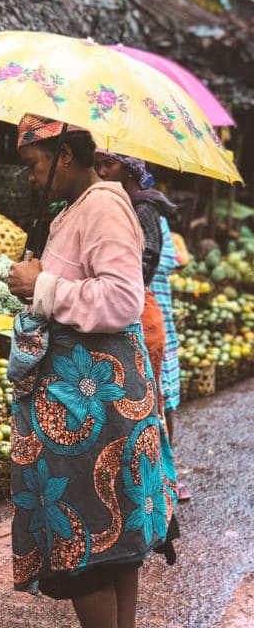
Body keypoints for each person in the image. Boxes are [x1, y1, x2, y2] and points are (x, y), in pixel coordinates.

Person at [8, 115, 177, 628]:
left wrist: (42, 287)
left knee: (91, 542)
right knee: (115, 543)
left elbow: (123, 299)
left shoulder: (102, 204)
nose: (31, 177)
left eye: (34, 164)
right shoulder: (78, 208)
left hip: (94, 412)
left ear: (63, 154)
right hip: (91, 407)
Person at [94, 151, 189, 501]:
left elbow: (149, 262)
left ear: (130, 168)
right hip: (144, 308)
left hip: (148, 309)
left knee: (156, 396)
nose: (102, 171)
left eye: (110, 164)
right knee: (149, 395)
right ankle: (153, 481)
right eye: (98, 164)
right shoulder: (124, 207)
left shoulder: (144, 209)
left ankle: (163, 479)